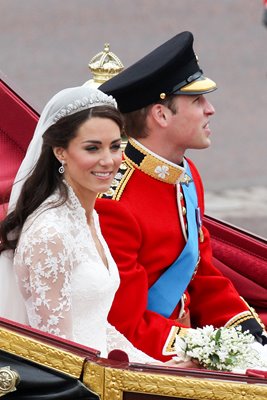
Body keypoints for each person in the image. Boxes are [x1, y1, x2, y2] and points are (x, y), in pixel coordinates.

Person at [96, 31, 267, 361]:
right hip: (152, 357)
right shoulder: (114, 202)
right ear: (161, 115)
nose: (211, 110)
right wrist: (215, 352)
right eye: (198, 101)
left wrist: (250, 335)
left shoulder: (185, 176)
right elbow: (126, 326)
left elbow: (202, 274)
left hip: (182, 335)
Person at [0, 85, 158, 363]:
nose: (108, 160)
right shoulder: (50, 234)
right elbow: (56, 353)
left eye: (115, 146)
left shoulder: (87, 215)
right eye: (92, 148)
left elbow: (95, 324)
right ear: (60, 152)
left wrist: (155, 367)